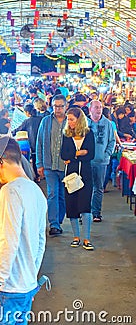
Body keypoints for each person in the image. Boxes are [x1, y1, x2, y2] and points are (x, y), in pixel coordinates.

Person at [0, 136, 47, 325]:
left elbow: (6, 239)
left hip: (7, 289)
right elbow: (40, 242)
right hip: (26, 287)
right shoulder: (36, 191)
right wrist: (31, 279)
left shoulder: (10, 191)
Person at [61, 107, 95, 250]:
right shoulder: (66, 134)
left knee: (85, 206)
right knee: (72, 205)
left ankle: (86, 238)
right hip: (71, 175)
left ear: (79, 120)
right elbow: (64, 154)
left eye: (72, 119)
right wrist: (79, 153)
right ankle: (76, 237)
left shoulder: (89, 134)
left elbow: (91, 154)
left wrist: (72, 156)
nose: (69, 122)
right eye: (68, 119)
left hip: (86, 174)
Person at [36, 94, 67, 236]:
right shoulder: (46, 122)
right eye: (55, 106)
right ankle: (54, 224)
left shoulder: (71, 121)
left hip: (65, 166)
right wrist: (39, 163)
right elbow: (40, 143)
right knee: (52, 194)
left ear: (65, 106)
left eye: (61, 106)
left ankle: (59, 220)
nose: (58, 109)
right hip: (49, 166)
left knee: (63, 195)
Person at [88, 100, 115, 222]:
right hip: (86, 162)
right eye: (96, 107)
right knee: (86, 188)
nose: (98, 109)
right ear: (90, 109)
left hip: (101, 162)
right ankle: (85, 212)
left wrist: (106, 155)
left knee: (98, 188)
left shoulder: (108, 124)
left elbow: (112, 141)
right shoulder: (85, 123)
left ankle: (96, 213)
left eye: (100, 107)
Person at [13, 104, 43, 182]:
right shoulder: (42, 119)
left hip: (34, 145)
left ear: (27, 112)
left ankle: (38, 177)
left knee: (35, 159)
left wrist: (11, 133)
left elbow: (19, 129)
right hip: (43, 143)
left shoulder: (27, 121)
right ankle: (44, 174)